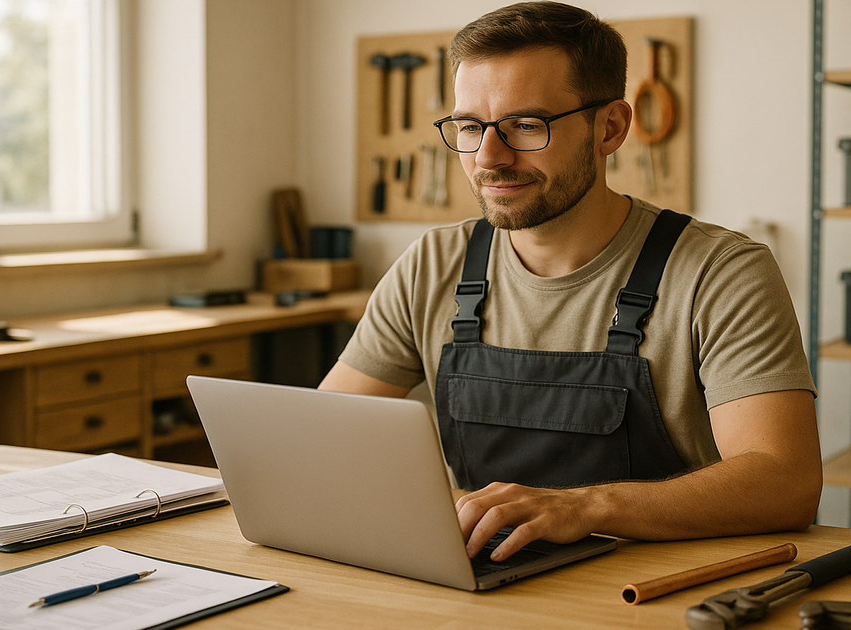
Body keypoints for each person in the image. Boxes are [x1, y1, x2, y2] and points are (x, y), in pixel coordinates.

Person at [320, 1, 821, 563]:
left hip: (651, 588)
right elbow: (325, 436)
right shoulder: (433, 264)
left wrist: (586, 507)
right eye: (470, 127)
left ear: (610, 128)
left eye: (525, 125)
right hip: (480, 579)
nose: (488, 157)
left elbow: (786, 482)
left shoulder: (720, 272)